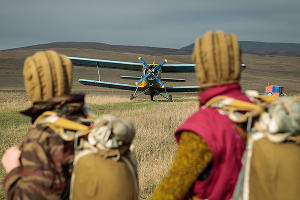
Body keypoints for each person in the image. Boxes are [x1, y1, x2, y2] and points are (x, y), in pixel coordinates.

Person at [1, 50, 138, 200]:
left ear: (32, 86)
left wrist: (13, 170)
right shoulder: (88, 121)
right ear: (67, 80)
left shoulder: (43, 136)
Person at [150, 30, 251, 200]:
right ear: (236, 66)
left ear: (202, 69)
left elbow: (169, 193)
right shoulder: (260, 113)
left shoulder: (202, 127)